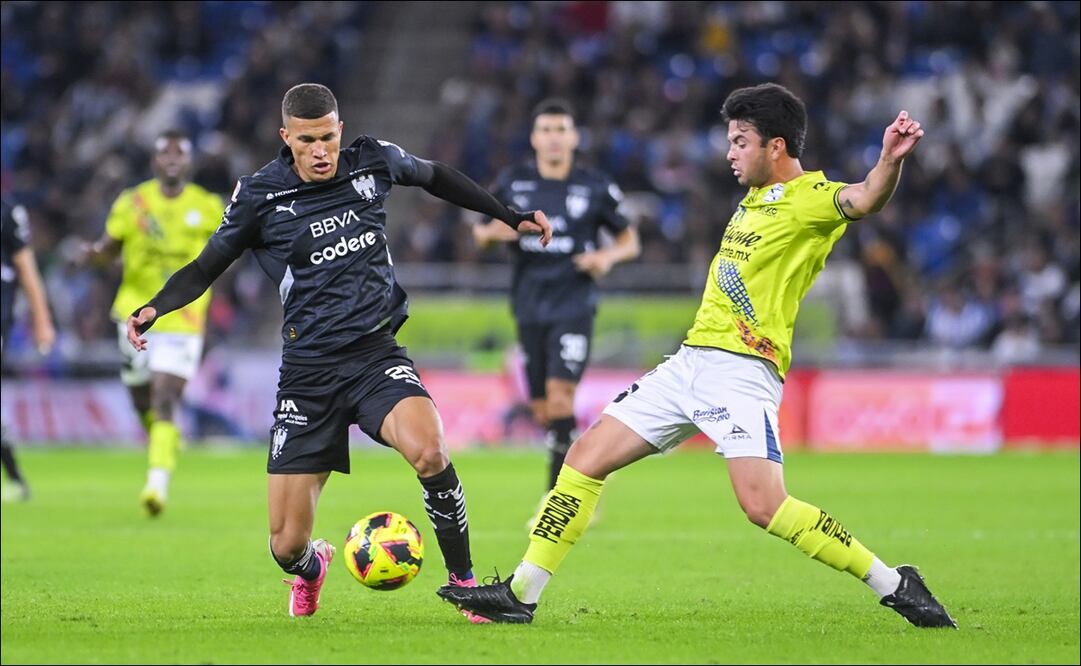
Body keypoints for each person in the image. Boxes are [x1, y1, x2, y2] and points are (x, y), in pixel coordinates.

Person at [438, 83, 957, 629]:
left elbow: (865, 197)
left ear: (775, 146)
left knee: (763, 507)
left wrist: (887, 161)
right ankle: (522, 594)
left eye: (739, 142)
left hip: (741, 372)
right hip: (689, 363)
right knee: (583, 458)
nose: (729, 153)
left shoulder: (810, 199)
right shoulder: (753, 199)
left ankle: (896, 584)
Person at [126, 83, 552, 619]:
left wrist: (509, 216)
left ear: (340, 130)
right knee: (284, 544)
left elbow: (438, 176)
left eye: (328, 136)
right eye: (308, 140)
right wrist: (155, 308)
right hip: (308, 375)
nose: (321, 150)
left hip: (376, 355)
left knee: (430, 450)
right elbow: (207, 265)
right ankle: (314, 568)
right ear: (287, 138)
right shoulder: (260, 196)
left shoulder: (372, 161)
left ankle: (466, 585)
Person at [473, 99, 640, 493]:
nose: (553, 138)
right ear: (534, 138)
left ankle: (560, 499)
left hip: (573, 303)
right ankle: (585, 472)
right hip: (529, 305)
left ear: (574, 137)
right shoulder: (512, 183)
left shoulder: (594, 186)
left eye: (561, 130)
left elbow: (629, 240)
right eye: (546, 130)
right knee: (544, 410)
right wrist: (494, 235)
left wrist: (606, 257)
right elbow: (480, 234)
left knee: (562, 400)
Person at [83, 130, 224, 516]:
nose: (174, 158)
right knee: (140, 397)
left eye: (181, 152)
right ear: (155, 161)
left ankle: (156, 484)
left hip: (183, 317)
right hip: (132, 313)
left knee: (165, 397)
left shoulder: (208, 206)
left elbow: (229, 249)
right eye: (166, 152)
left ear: (190, 161)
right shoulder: (133, 202)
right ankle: (165, 437)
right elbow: (107, 249)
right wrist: (90, 255)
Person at [0, 198, 56, 502]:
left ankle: (16, 479)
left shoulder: (8, 213)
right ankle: (16, 479)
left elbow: (26, 266)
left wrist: (42, 320)